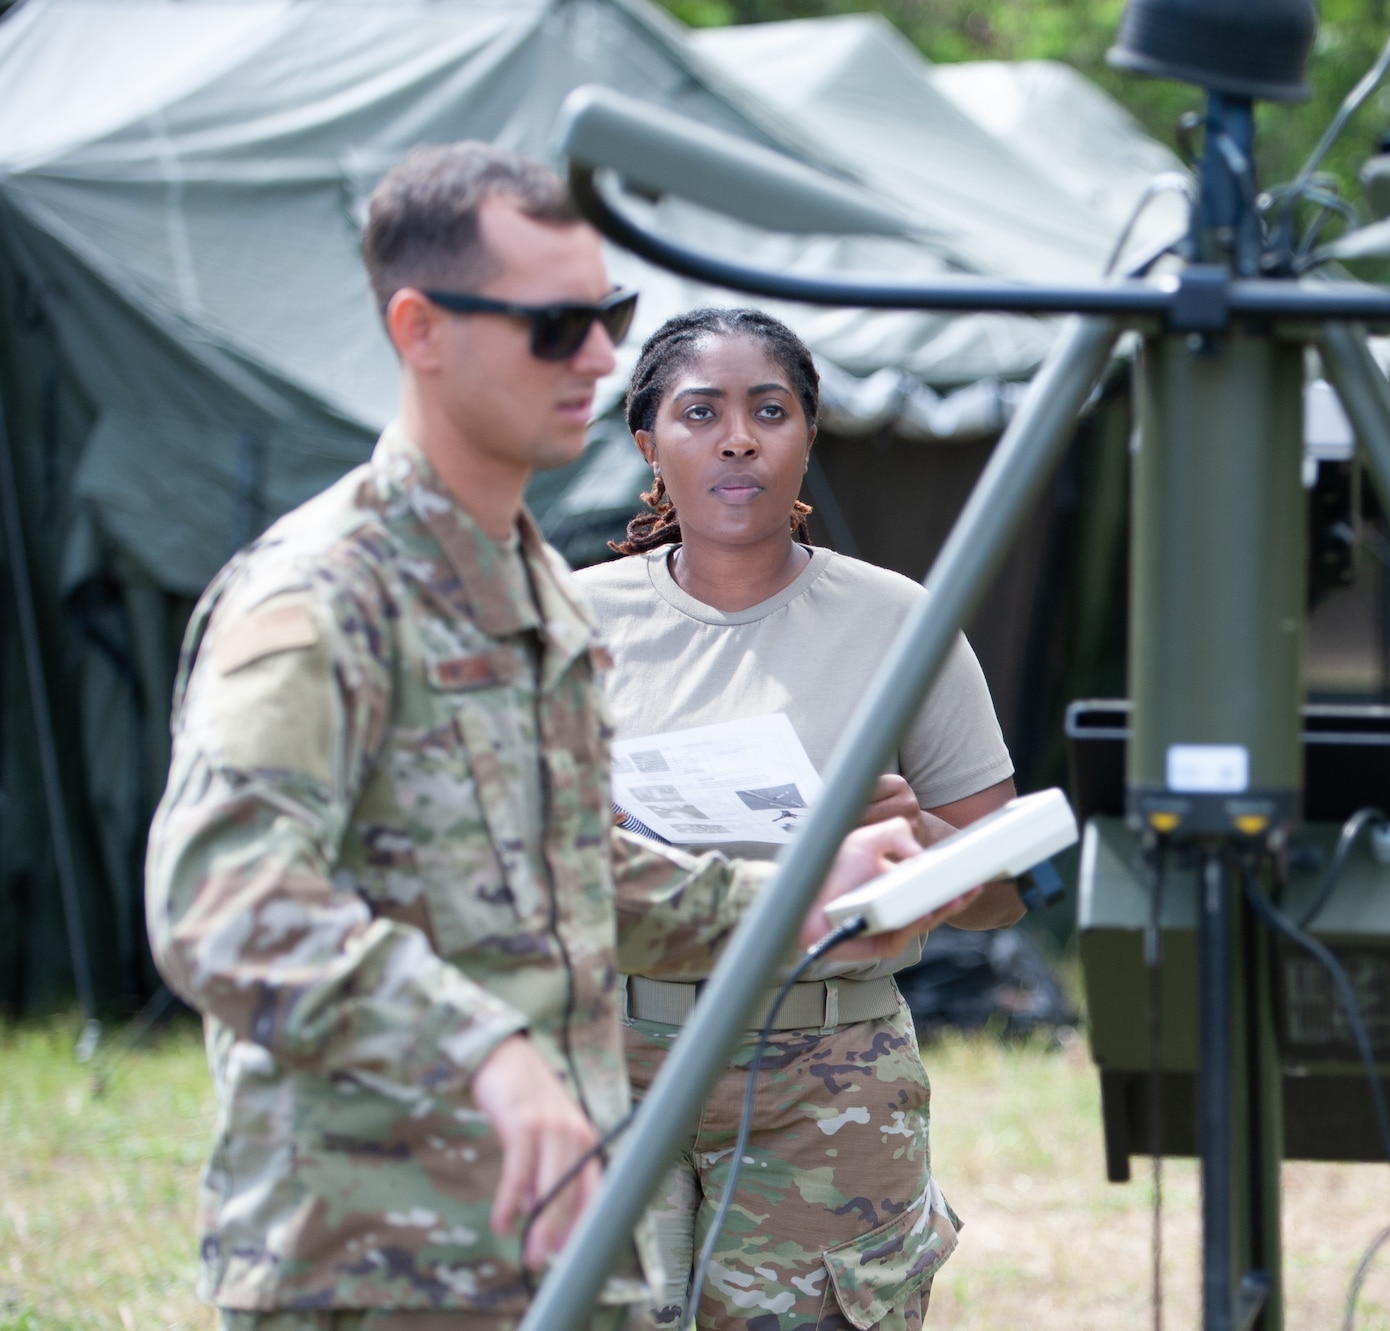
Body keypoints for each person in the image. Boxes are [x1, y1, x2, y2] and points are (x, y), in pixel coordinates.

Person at [144, 145, 954, 1331]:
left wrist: (801, 889)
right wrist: (483, 1050)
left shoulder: (526, 590)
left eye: (607, 315)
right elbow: (218, 898)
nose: (595, 355)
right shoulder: (325, 596)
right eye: (552, 323)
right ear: (420, 329)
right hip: (375, 1253)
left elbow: (567, 865)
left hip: (547, 1237)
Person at [574, 307, 1023, 1331]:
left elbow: (1003, 891)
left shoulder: (900, 623)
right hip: (609, 1062)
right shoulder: (571, 621)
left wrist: (921, 840)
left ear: (807, 434)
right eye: (701, 412)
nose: (737, 437)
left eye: (767, 410)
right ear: (649, 444)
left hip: (825, 1078)